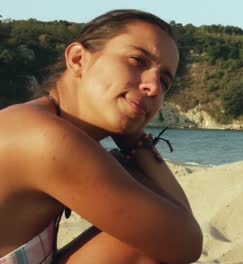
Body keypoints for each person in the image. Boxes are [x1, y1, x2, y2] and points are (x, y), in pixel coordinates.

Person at [0, 9, 203, 264]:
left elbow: (181, 231)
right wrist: (137, 144)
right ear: (77, 59)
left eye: (164, 81)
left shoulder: (41, 121)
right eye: (137, 60)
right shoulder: (46, 138)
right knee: (153, 243)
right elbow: (186, 243)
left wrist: (134, 138)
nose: (152, 87)